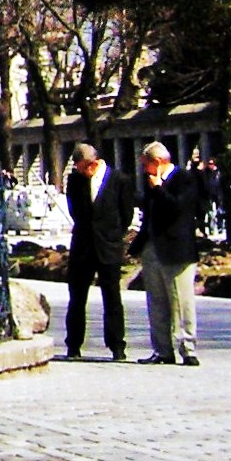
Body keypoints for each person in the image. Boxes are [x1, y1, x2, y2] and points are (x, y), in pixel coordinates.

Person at [132, 141, 203, 366]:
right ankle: (162, 350)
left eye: (147, 166)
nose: (145, 171)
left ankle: (187, 348)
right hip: (153, 248)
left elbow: (178, 209)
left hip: (176, 250)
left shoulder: (184, 179)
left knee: (181, 301)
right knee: (157, 302)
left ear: (158, 162)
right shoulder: (150, 182)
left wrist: (159, 188)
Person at [63, 142, 135, 361]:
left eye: (81, 167)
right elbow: (74, 211)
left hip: (108, 246)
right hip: (82, 247)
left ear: (92, 164)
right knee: (77, 298)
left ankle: (117, 345)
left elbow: (126, 215)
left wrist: (113, 236)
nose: (79, 172)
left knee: (112, 298)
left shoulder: (119, 180)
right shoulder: (75, 181)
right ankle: (74, 345)